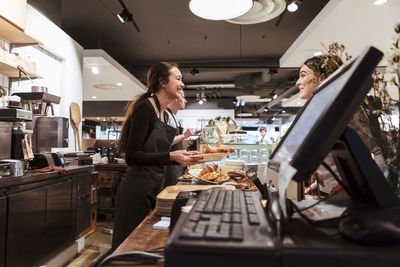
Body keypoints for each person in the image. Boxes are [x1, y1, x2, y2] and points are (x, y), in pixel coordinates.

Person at [112, 62, 202, 249]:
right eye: (178, 79)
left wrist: (180, 155)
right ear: (162, 82)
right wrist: (172, 157)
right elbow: (132, 156)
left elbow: (155, 149)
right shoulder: (146, 108)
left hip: (154, 187)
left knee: (145, 244)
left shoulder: (162, 113)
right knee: (127, 248)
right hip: (136, 191)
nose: (182, 84)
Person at [295, 54, 384, 195]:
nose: (298, 82)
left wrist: (364, 190)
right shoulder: (319, 112)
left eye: (303, 75)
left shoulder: (348, 112)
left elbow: (378, 152)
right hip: (327, 193)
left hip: (350, 198)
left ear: (321, 78)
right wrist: (322, 184)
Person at [164, 91, 201, 186]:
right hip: (169, 164)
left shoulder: (174, 117)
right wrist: (184, 135)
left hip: (176, 163)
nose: (185, 101)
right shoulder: (166, 115)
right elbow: (164, 143)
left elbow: (175, 139)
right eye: (183, 97)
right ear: (176, 98)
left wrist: (190, 135)